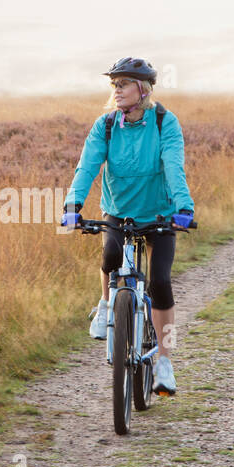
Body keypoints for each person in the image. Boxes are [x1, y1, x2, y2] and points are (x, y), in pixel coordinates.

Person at [60, 57, 196, 395]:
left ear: (143, 89)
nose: (116, 90)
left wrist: (184, 206)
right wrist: (73, 204)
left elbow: (173, 165)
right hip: (119, 211)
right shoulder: (105, 125)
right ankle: (106, 304)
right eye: (114, 85)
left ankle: (164, 361)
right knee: (109, 255)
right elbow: (87, 167)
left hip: (160, 214)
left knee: (161, 282)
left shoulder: (165, 122)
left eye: (123, 84)